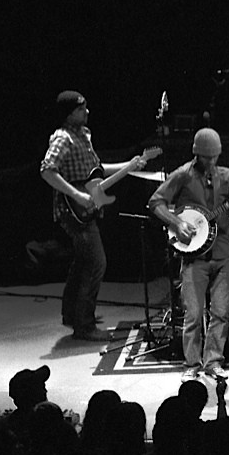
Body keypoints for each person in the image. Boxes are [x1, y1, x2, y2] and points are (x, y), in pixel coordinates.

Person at [40, 90, 152, 340]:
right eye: (81, 109)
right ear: (69, 115)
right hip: (73, 210)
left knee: (83, 261)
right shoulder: (63, 138)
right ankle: (85, 326)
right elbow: (47, 170)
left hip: (85, 209)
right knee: (96, 262)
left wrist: (129, 165)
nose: (87, 112)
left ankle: (73, 315)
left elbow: (97, 171)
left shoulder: (84, 135)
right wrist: (77, 195)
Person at [149, 127, 229, 381]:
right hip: (193, 256)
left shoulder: (228, 176)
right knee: (193, 313)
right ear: (196, 153)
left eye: (215, 157)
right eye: (206, 157)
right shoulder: (182, 175)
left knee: (221, 312)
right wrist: (176, 223)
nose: (211, 162)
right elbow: (155, 202)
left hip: (223, 252)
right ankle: (191, 364)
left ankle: (213, 361)